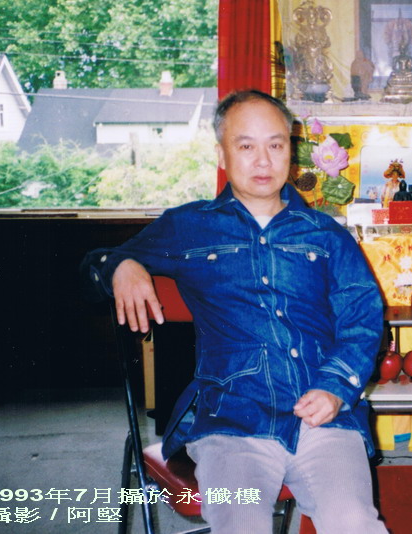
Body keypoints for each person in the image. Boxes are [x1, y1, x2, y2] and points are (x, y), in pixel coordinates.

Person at [82, 90, 388, 534]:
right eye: (246, 146)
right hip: (231, 422)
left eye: (276, 145)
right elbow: (95, 266)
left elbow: (363, 317)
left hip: (324, 414)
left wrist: (336, 387)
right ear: (221, 153)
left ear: (290, 150)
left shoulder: (326, 234)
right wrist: (120, 265)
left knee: (355, 522)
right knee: (240, 524)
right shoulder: (189, 226)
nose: (263, 160)